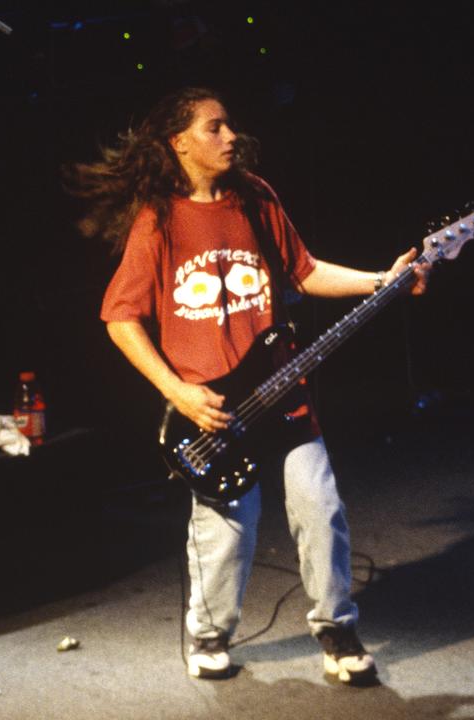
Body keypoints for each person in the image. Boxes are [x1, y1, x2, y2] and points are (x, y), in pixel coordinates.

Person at [68, 87, 429, 684]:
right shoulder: (159, 218)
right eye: (215, 127)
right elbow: (119, 317)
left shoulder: (256, 198)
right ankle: (208, 636)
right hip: (212, 409)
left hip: (283, 390)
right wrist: (175, 390)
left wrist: (381, 281)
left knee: (321, 508)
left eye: (230, 125)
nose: (231, 136)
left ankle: (337, 629)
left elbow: (305, 271)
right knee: (227, 534)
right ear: (178, 143)